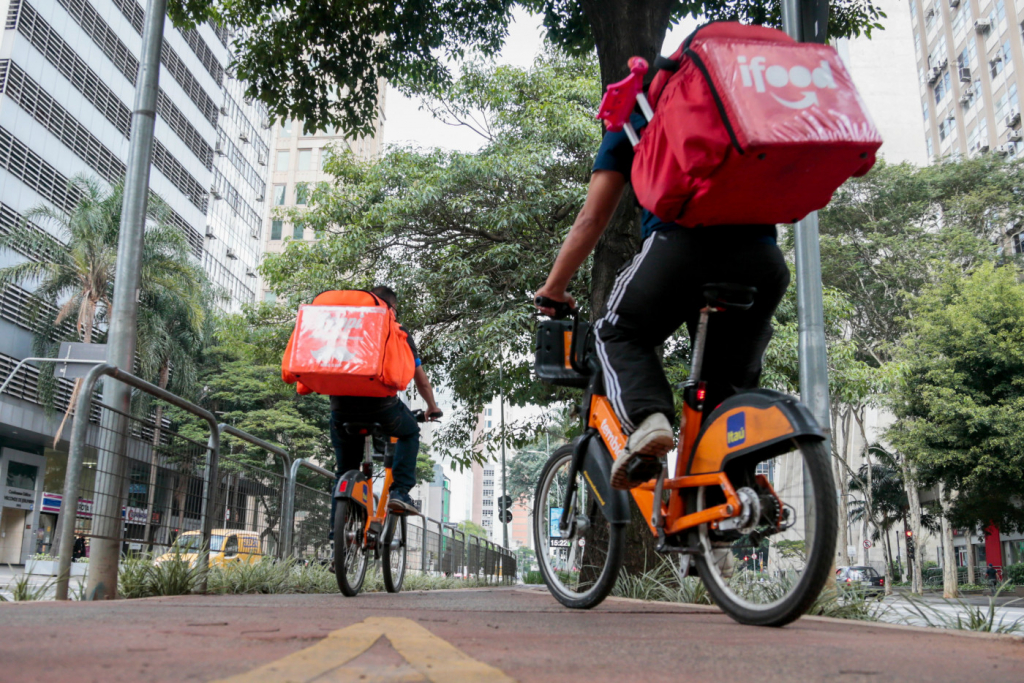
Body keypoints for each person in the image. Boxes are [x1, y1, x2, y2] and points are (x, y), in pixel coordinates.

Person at [535, 110, 790, 490]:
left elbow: (592, 217)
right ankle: (733, 498)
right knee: (723, 393)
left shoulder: (635, 113)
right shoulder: (738, 107)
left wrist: (553, 289)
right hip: (764, 262)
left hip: (682, 245)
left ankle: (648, 420)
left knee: (613, 331)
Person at [330, 286, 443, 519]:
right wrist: (432, 407)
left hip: (340, 407)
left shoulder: (341, 326)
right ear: (391, 307)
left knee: (344, 473)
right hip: (381, 407)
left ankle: (336, 544)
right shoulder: (396, 330)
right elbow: (421, 382)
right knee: (410, 432)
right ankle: (400, 492)